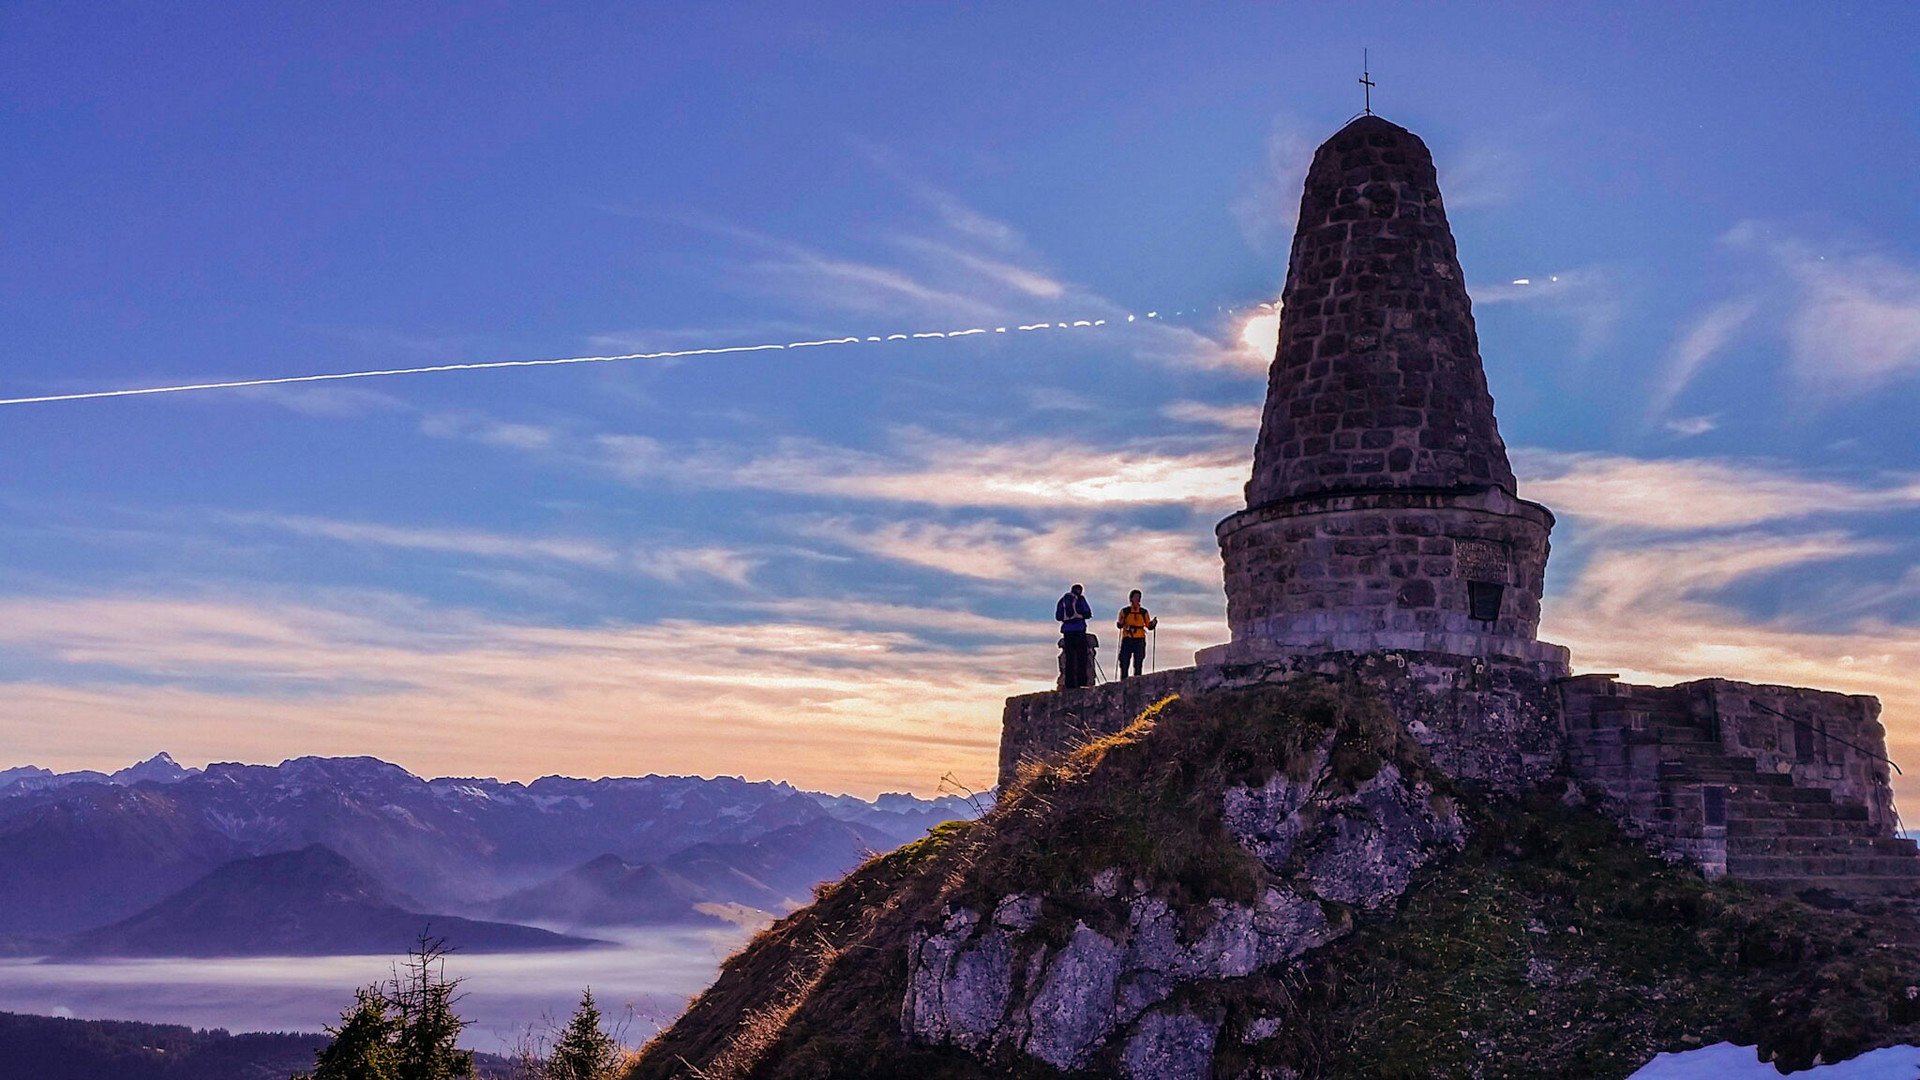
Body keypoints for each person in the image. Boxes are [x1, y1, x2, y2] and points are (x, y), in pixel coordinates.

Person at [1055, 583, 1094, 689]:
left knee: (1069, 657)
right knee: (1082, 656)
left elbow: (1058, 616)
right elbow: (1087, 612)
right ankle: (1082, 682)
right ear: (1080, 590)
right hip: (1079, 629)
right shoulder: (1080, 599)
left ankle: (1069, 683)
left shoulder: (1062, 600)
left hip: (1067, 631)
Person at [1115, 589, 1158, 679]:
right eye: (1136, 597)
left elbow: (1148, 626)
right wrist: (1121, 623)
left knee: (1139, 660)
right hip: (1128, 637)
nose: (1138, 599)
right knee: (1124, 660)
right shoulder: (1125, 611)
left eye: (1139, 597)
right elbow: (1119, 624)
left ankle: (1137, 678)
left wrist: (1153, 624)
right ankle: (1124, 679)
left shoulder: (1143, 612)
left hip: (1139, 638)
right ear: (1131, 598)